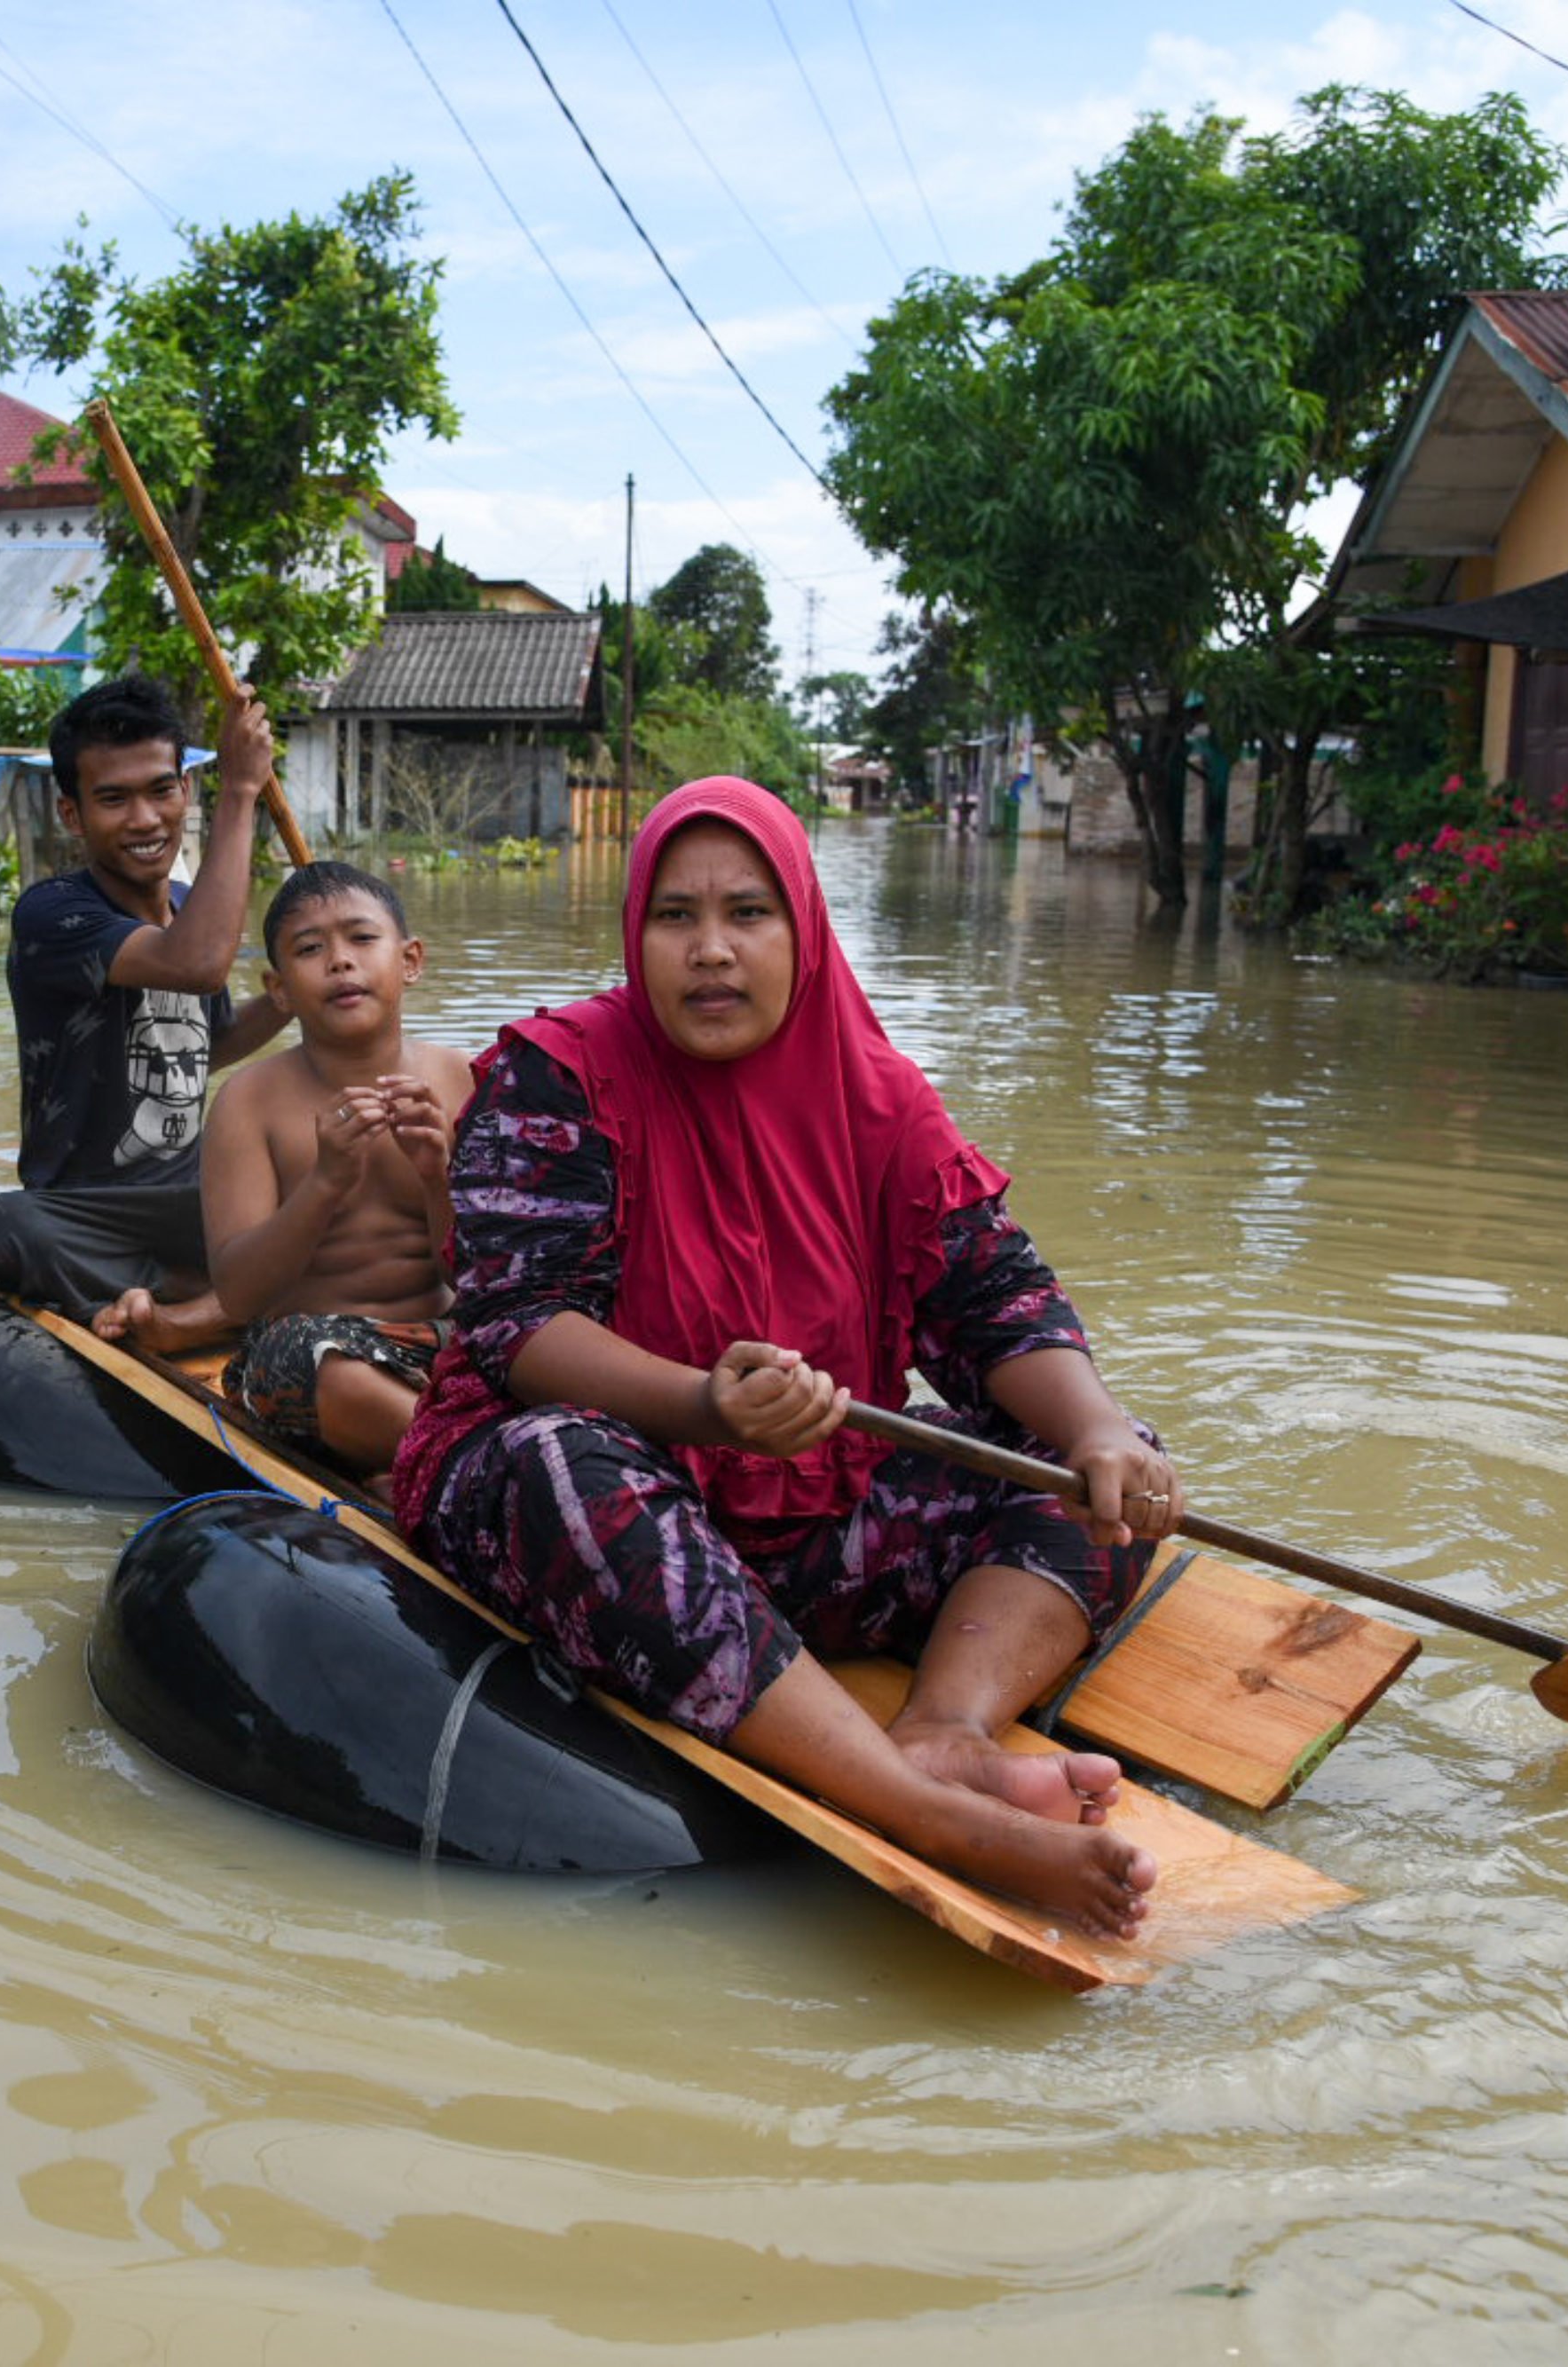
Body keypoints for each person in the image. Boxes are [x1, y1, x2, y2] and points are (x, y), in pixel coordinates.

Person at [388, 778, 1183, 1940]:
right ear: (636, 931)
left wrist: (1103, 1433)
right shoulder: (559, 1073)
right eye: (677, 916)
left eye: (749, 912)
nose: (711, 950)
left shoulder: (886, 1101)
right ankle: (921, 1811)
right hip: (607, 1495)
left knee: (1094, 1467)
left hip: (806, 1516)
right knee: (564, 1463)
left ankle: (947, 1727)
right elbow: (516, 1327)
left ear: (804, 927)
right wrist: (706, 1407)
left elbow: (1000, 1304)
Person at [0, 673, 288, 1351]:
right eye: (114, 799)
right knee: (2, 1227)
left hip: (189, 1200)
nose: (145, 819)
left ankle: (184, 1290)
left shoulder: (191, 906)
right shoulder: (54, 913)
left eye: (161, 790)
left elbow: (210, 1041)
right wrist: (241, 791)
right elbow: (193, 965)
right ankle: (208, 1292)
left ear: (183, 790)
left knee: (318, 1175)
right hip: (86, 1211)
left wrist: (282, 1003)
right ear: (73, 814)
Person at [197, 861, 475, 1472]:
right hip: (318, 1360)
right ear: (278, 988)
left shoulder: (462, 1079)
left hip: (437, 1341)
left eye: (362, 938)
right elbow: (240, 1294)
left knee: (538, 1335)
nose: (340, 961)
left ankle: (432, 1451)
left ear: (411, 960)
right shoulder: (249, 1102)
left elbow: (481, 1280)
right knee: (297, 1354)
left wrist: (436, 1179)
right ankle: (467, 1464)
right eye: (310, 948)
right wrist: (324, 1183)